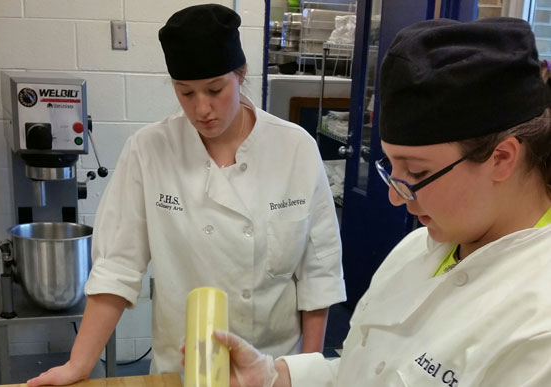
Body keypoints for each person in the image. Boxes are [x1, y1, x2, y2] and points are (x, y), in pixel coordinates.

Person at [212, 17, 551, 387]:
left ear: (501, 159)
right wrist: (275, 376)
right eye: (392, 166)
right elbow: (367, 366)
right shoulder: (418, 247)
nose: (394, 195)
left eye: (418, 174)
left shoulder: (539, 329)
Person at [26, 4, 346, 386]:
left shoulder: (295, 148)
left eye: (215, 90)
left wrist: (305, 371)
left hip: (273, 369)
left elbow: (317, 276)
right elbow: (117, 267)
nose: (202, 109)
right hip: (181, 370)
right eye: (186, 93)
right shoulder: (149, 150)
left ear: (240, 76)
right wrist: (78, 365)